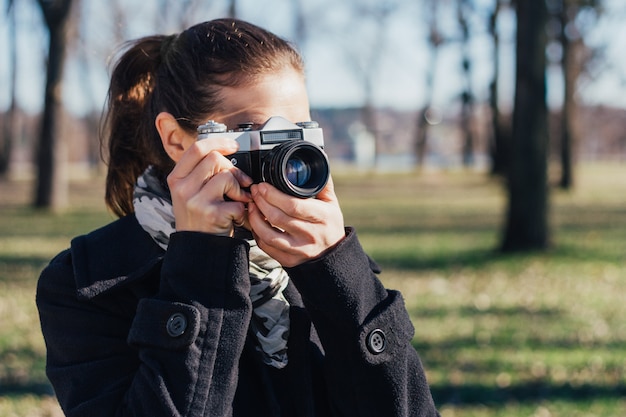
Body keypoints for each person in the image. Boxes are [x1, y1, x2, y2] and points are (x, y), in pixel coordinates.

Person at [36, 18, 440, 417]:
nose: (283, 155)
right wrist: (200, 262)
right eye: (253, 132)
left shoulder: (319, 262)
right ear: (177, 139)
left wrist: (337, 273)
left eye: (297, 130)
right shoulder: (85, 284)